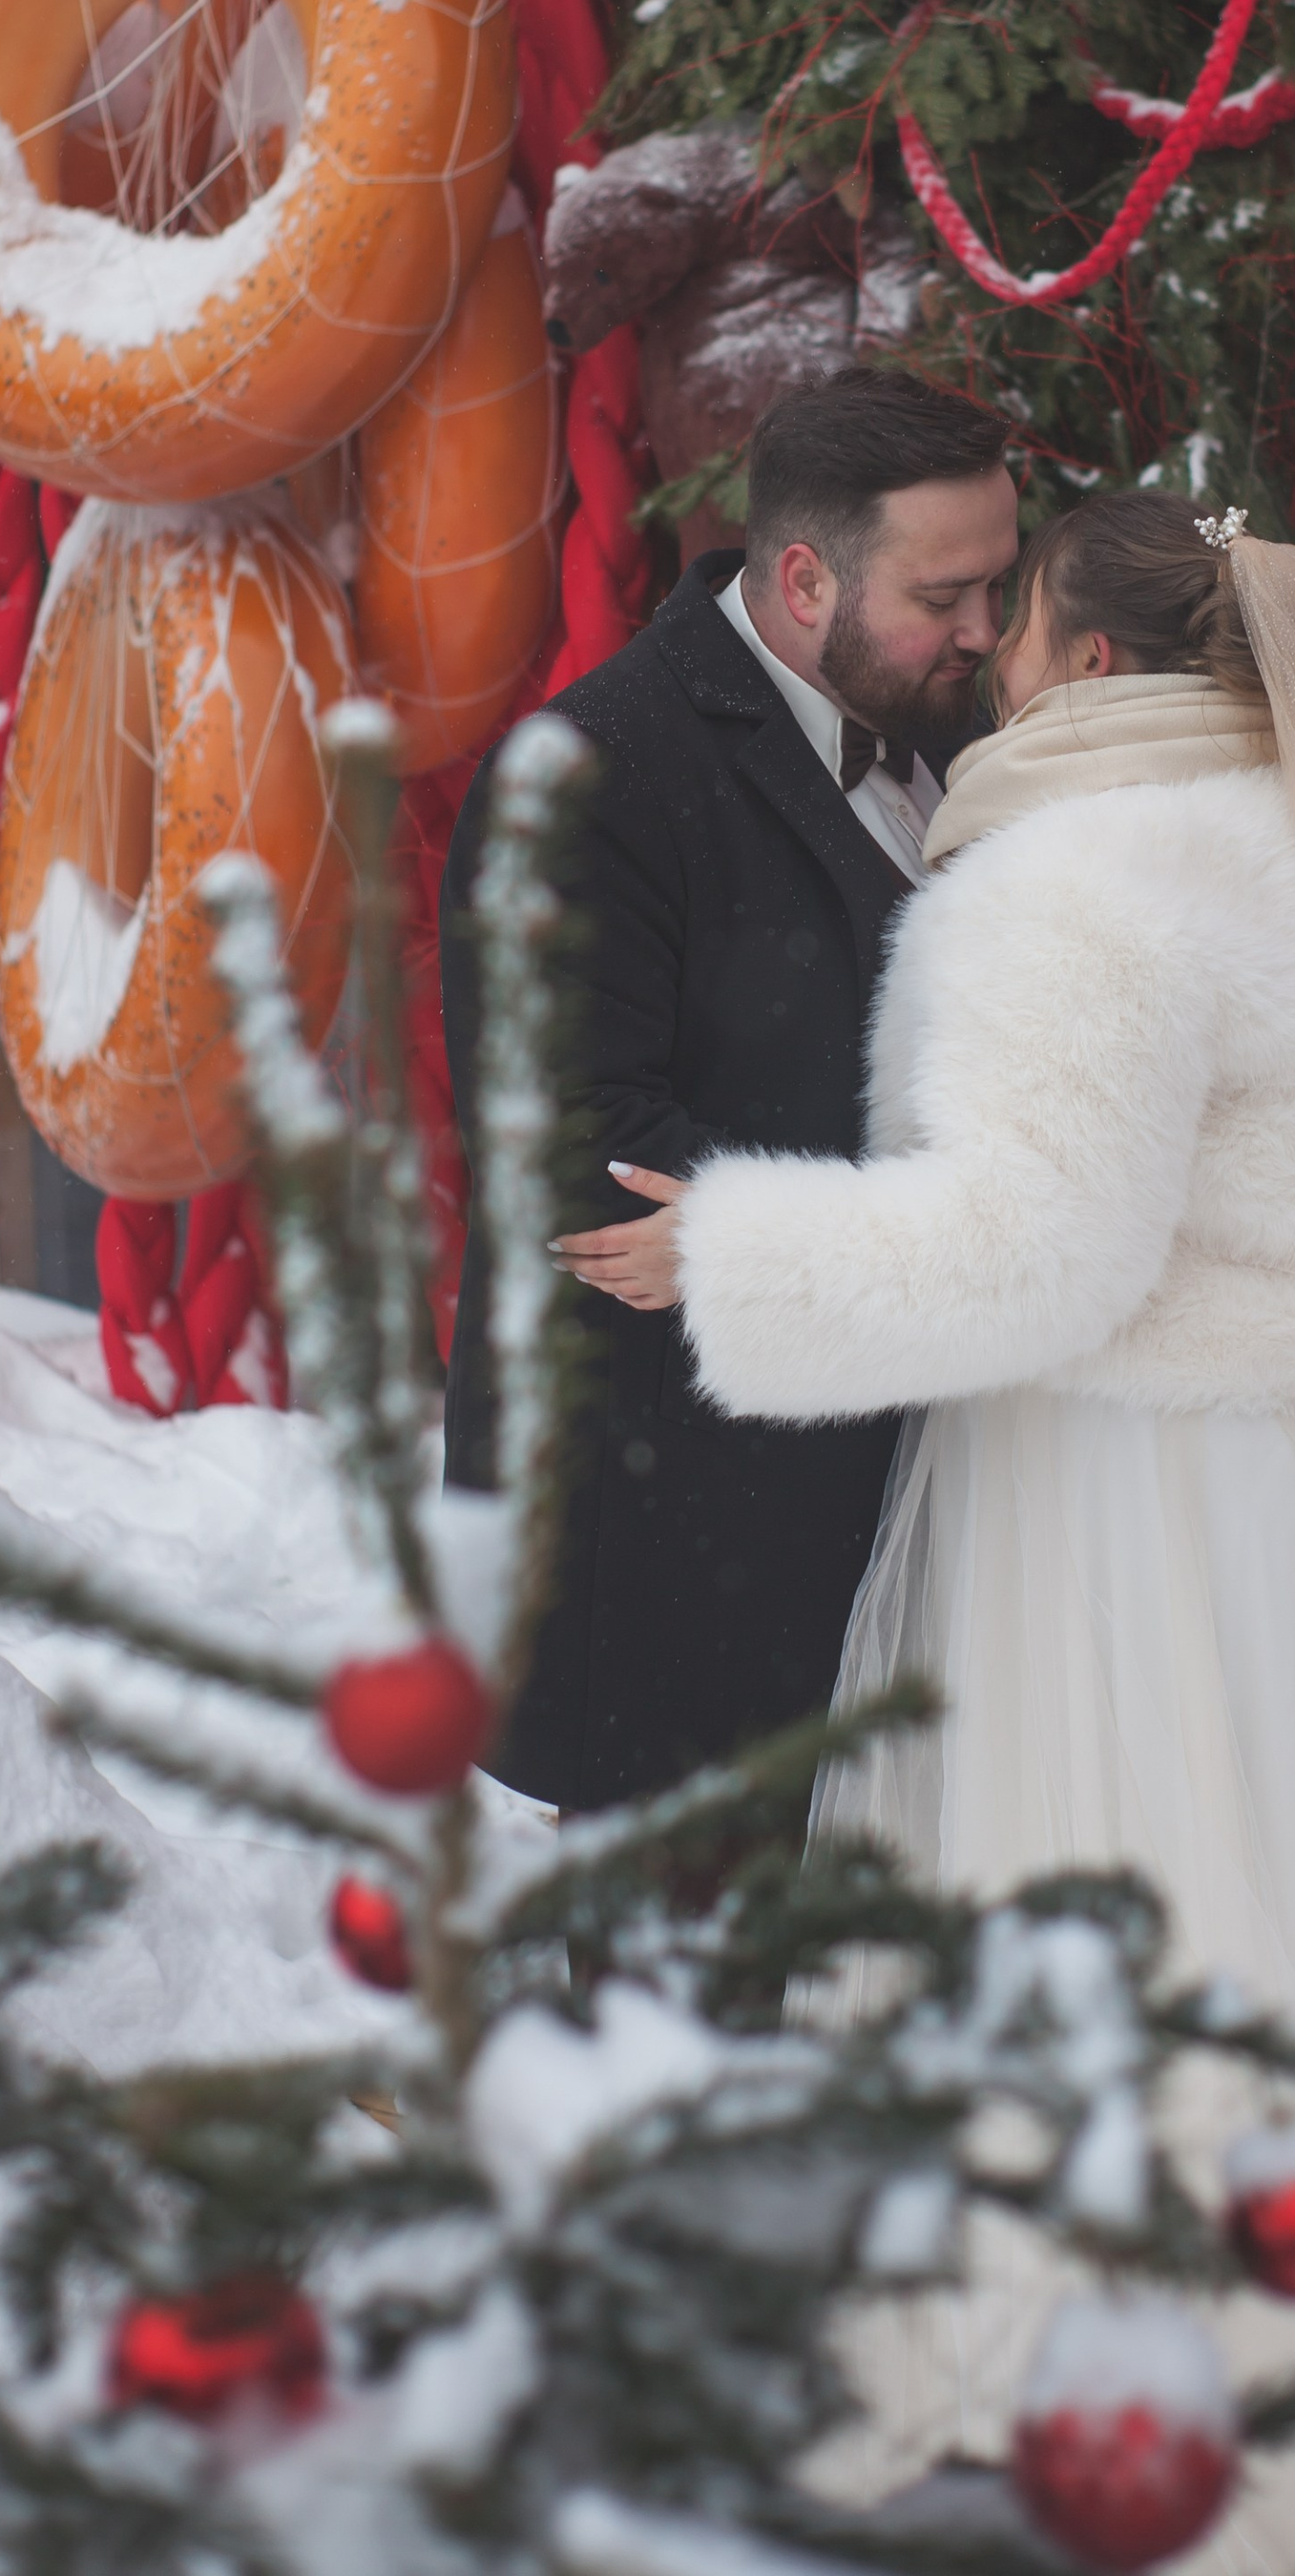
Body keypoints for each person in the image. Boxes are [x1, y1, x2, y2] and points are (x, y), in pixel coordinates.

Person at [558, 490, 1295, 2571]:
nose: (979, 645)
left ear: (1092, 672)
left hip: (1130, 1496)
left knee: (1152, 1918)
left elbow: (1035, 1252)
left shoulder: (1077, 879)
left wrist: (724, 1255)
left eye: (1008, 624)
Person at [441, 364, 1017, 1811]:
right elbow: (584, 1153)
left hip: (905, 1499)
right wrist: (925, 1255)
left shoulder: (963, 733)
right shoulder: (589, 772)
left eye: (998, 585)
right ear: (808, 577)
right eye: (945, 595)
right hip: (680, 1522)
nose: (986, 630)